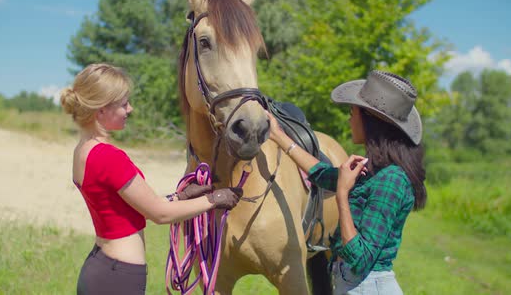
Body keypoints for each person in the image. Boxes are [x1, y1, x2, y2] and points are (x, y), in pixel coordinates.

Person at [60, 63, 243, 294]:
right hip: (119, 278)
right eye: (124, 103)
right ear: (101, 110)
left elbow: (126, 205)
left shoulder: (82, 151)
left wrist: (179, 197)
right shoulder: (109, 156)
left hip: (101, 267)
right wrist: (215, 200)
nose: (130, 109)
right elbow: (159, 214)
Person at [267, 70, 426, 295]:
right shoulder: (372, 171)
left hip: (369, 287)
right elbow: (321, 174)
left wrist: (342, 195)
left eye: (353, 112)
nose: (349, 119)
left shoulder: (392, 180)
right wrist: (278, 136)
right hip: (354, 286)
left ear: (369, 120)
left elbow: (359, 258)